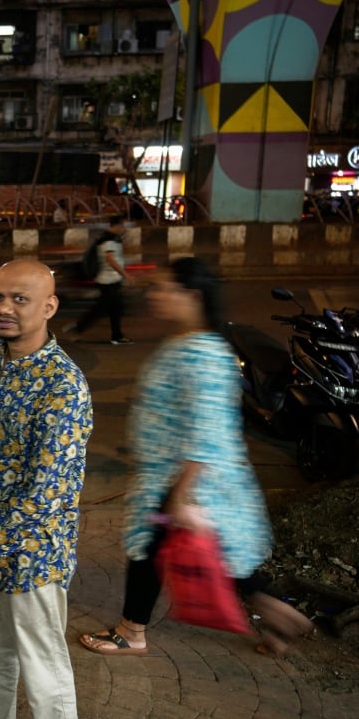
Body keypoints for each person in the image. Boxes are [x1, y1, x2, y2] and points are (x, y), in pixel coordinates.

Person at [79, 257, 313, 659]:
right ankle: (280, 615)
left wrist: (182, 496)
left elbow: (206, 429)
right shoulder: (192, 343)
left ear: (193, 296)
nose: (154, 296)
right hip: (182, 477)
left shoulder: (202, 353)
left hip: (182, 480)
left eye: (164, 288)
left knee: (149, 550)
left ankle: (132, 632)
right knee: (216, 557)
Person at [0, 259, 92, 719]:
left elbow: (47, 494)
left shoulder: (63, 386)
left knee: (44, 671)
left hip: (31, 558)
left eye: (20, 299)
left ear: (49, 307)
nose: (4, 308)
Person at [64, 215, 133, 345]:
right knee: (105, 309)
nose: (123, 229)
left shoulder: (110, 238)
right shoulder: (109, 239)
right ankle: (77, 329)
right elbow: (110, 259)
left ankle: (115, 335)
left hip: (111, 279)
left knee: (111, 308)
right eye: (122, 226)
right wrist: (125, 274)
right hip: (108, 280)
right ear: (118, 225)